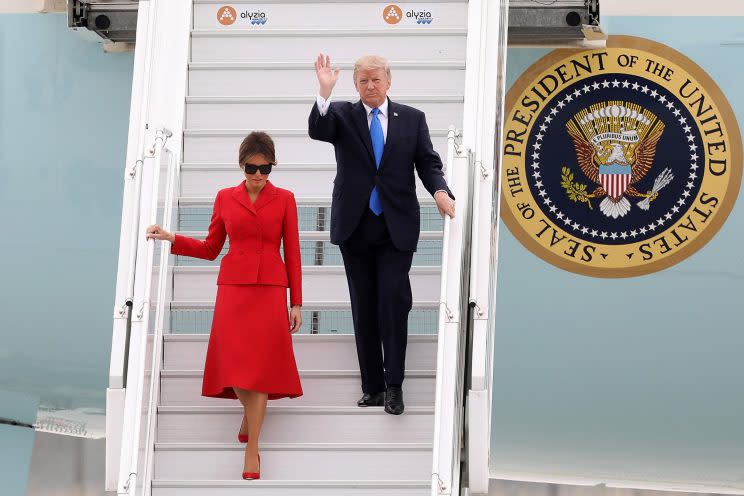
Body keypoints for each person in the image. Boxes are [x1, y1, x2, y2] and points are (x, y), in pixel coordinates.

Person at [146, 131, 303, 480]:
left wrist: (297, 302)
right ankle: (249, 416)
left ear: (272, 166)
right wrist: (172, 238)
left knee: (260, 367)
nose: (259, 176)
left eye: (265, 169)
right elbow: (211, 247)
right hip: (233, 288)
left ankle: (252, 448)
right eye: (252, 168)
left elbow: (292, 252)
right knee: (237, 363)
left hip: (270, 289)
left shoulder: (286, 199)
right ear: (241, 165)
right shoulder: (224, 198)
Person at [308, 54, 455, 415]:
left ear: (389, 81)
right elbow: (318, 130)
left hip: (395, 226)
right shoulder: (342, 115)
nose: (370, 87)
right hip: (355, 225)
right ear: (355, 85)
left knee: (392, 303)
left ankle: (393, 386)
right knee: (364, 308)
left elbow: (428, 162)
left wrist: (440, 191)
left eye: (375, 80)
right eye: (362, 81)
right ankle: (372, 386)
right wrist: (324, 93)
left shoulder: (413, 119)